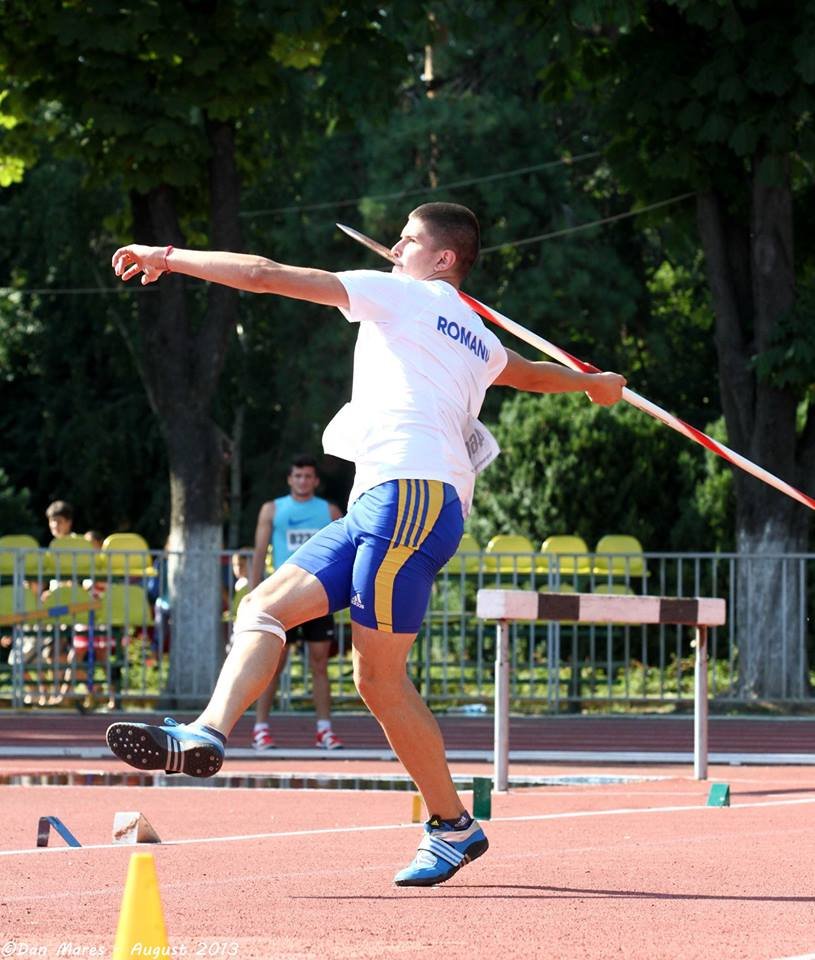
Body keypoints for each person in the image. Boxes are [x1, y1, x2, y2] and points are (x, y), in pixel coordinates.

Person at [105, 201, 626, 887]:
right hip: (386, 503)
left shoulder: (400, 297)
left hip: (410, 494)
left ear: (442, 259)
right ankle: (206, 731)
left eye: (406, 240)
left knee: (377, 677)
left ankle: (452, 825)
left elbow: (263, 274)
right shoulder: (475, 333)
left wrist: (167, 257)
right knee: (262, 607)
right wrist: (593, 386)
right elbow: (530, 372)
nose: (392, 249)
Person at [248, 455, 344, 751]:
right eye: (297, 476)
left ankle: (324, 730)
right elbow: (259, 552)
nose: (303, 481)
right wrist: (253, 594)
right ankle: (261, 728)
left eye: (308, 476)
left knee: (319, 664)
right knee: (272, 665)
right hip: (282, 598)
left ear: (315, 480)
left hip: (318, 596)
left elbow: (343, 554)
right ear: (290, 479)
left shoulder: (329, 511)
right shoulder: (273, 509)